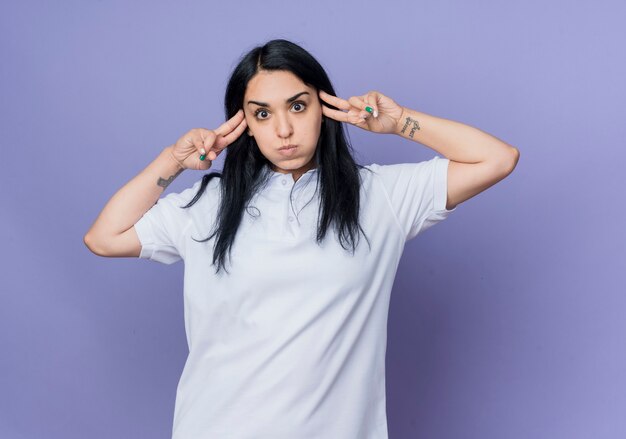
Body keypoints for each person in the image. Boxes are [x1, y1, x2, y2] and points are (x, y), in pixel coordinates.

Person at [84, 39, 519, 439]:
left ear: (323, 107)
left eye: (296, 106)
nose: (283, 130)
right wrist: (173, 160)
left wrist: (398, 122)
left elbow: (498, 159)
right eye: (262, 114)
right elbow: (104, 237)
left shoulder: (379, 197)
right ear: (245, 126)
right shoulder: (208, 206)